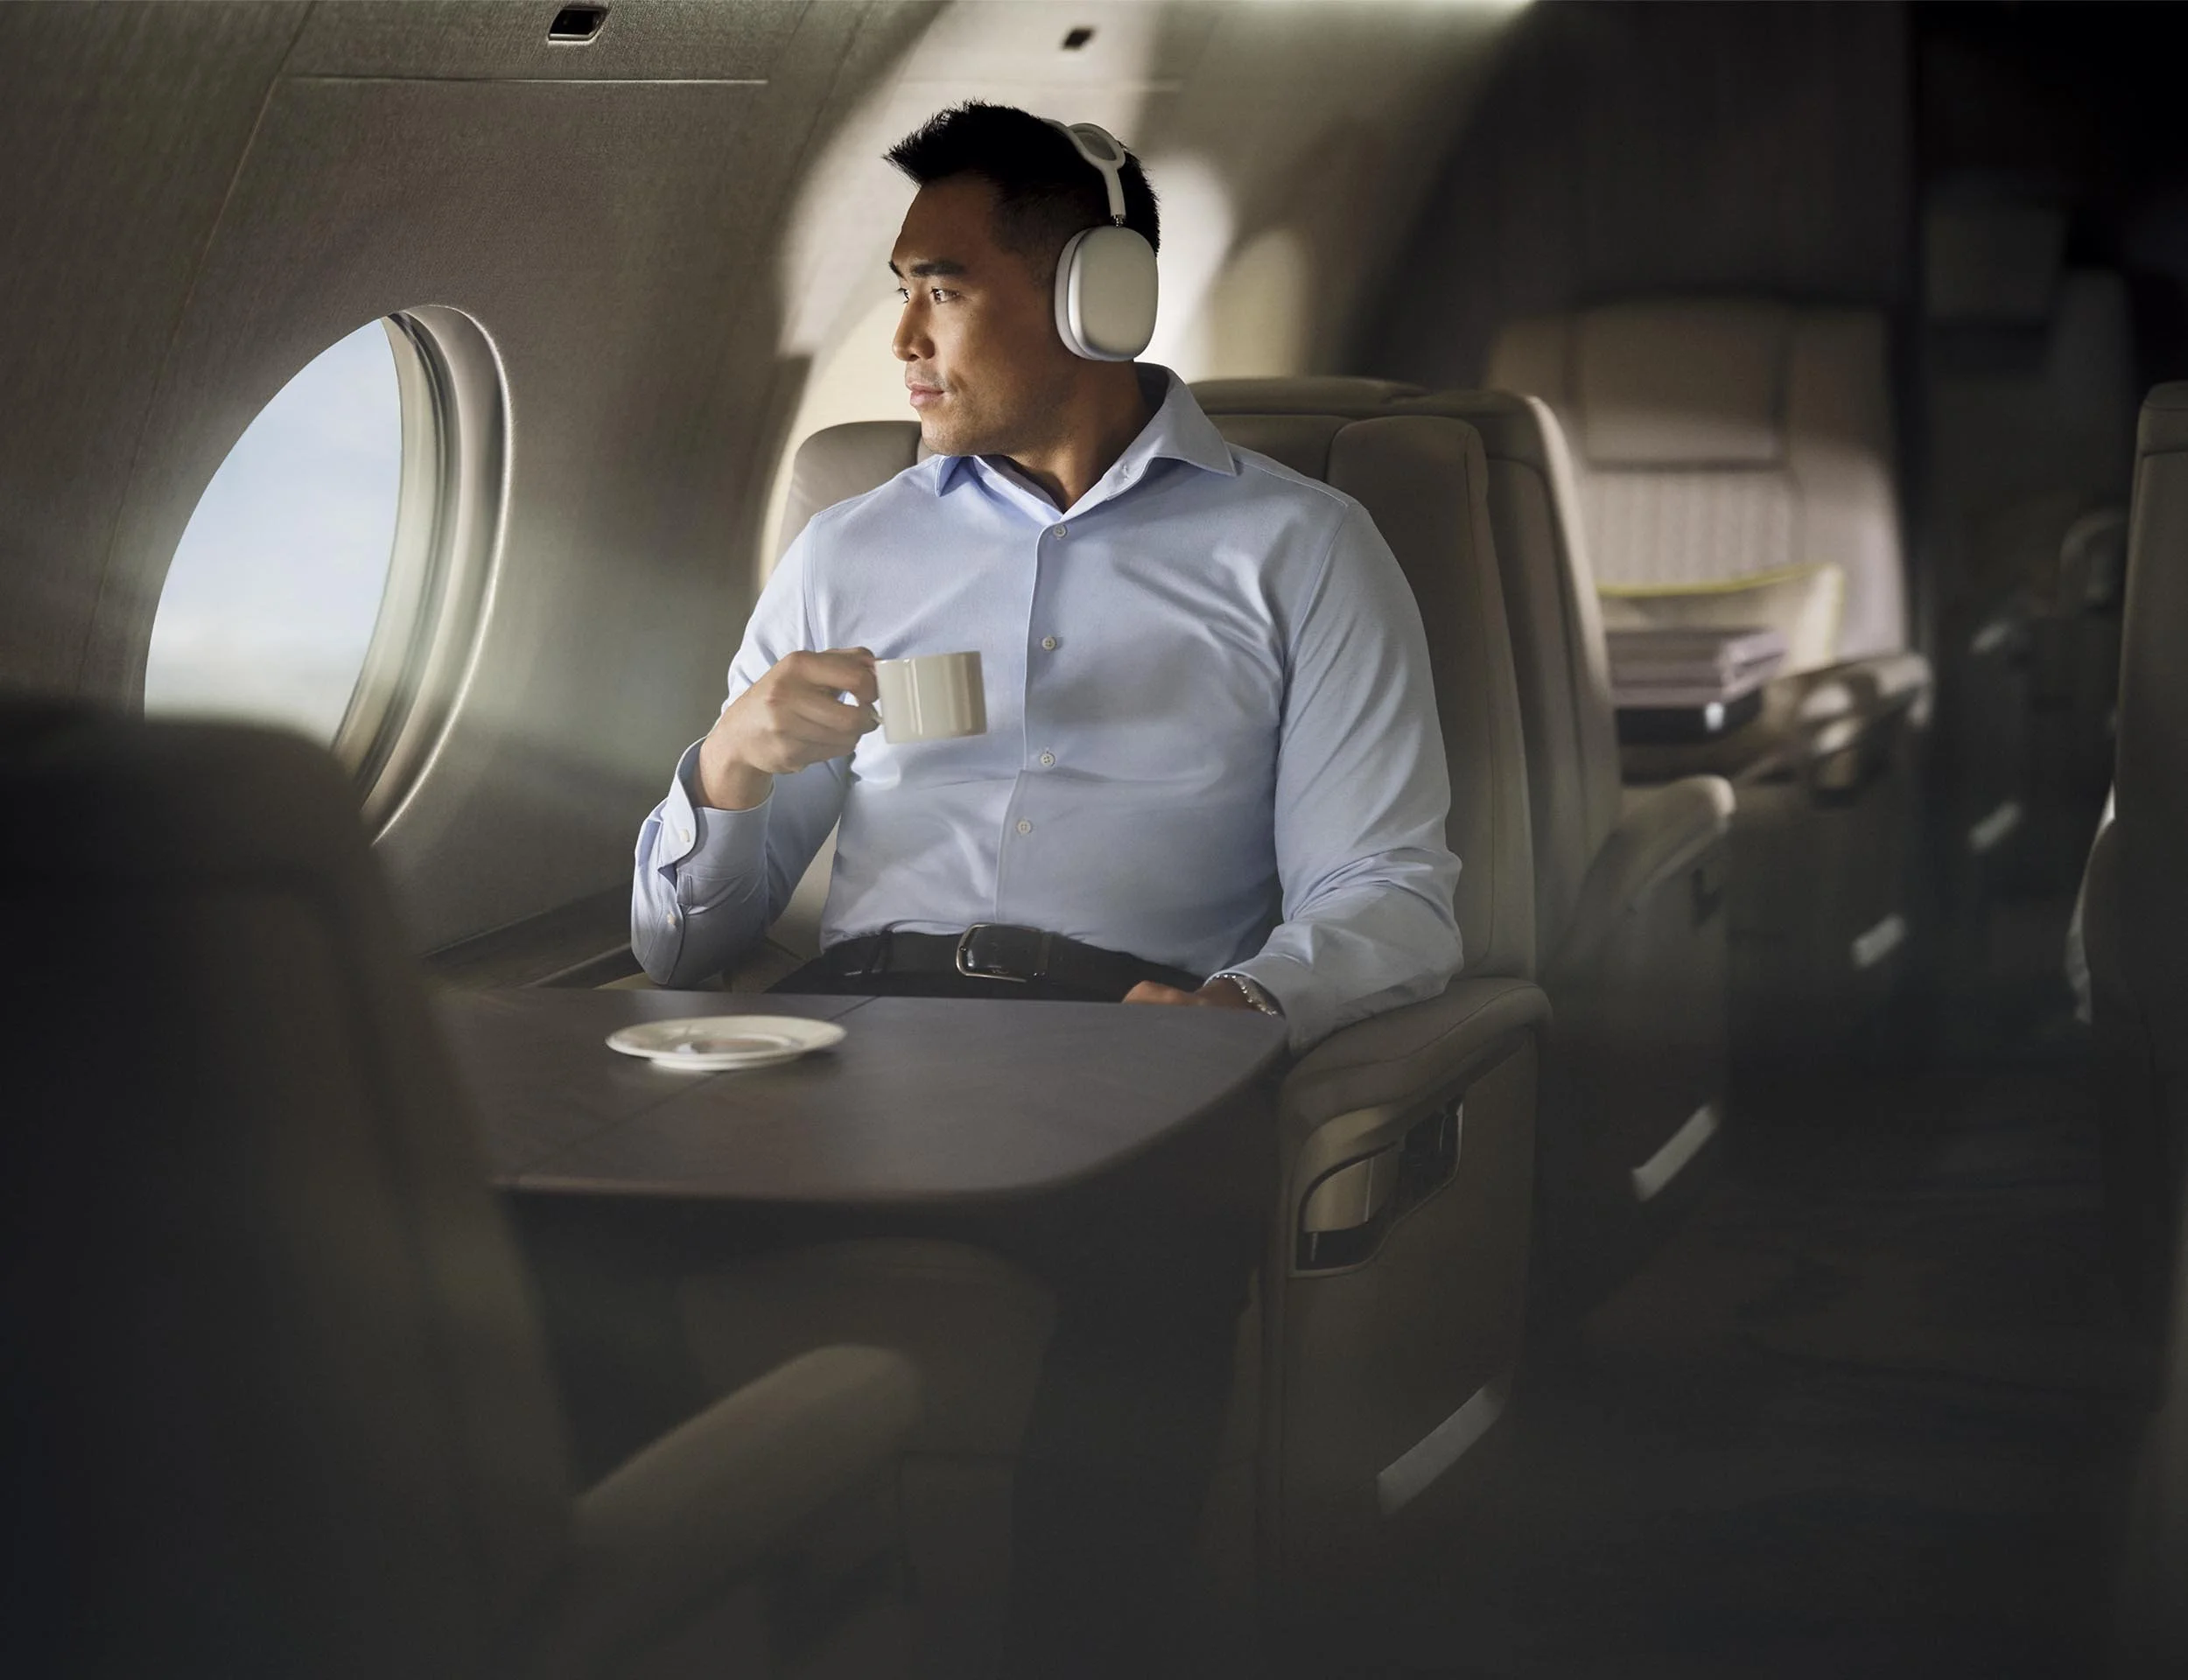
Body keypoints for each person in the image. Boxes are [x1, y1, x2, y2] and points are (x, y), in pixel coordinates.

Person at [629, 102, 1462, 1673]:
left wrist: (1238, 1009)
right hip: (846, 1028)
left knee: (1142, 1296)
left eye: (940, 286)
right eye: (897, 289)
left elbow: (1392, 888)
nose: (902, 341)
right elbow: (687, 948)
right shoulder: (843, 549)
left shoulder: (1303, 551)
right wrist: (727, 766)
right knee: (547, 1241)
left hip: (1121, 1034)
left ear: (1100, 293)